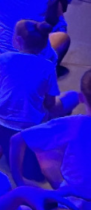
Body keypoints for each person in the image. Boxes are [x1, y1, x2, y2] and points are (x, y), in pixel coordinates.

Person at [9, 70, 91, 209]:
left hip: (73, 203)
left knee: (45, 151)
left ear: (82, 99)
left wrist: (20, 182)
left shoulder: (74, 125)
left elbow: (16, 140)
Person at [0, 20, 79, 130]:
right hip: (33, 122)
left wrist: (4, 89)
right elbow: (50, 103)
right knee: (73, 96)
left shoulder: (4, 58)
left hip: (0, 116)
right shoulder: (48, 66)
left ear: (17, 40)